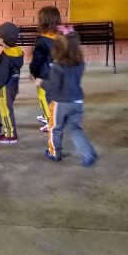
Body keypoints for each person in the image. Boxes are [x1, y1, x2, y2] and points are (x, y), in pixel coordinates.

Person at [35, 26, 98, 167]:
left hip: (60, 103)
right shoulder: (80, 64)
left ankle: (54, 153)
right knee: (75, 129)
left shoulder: (57, 67)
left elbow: (53, 86)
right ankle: (88, 152)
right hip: (77, 101)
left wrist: (41, 82)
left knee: (55, 128)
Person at [0, 22, 24, 145]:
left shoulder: (5, 57)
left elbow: (2, 77)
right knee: (1, 107)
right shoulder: (18, 52)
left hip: (5, 87)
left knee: (5, 110)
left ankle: (10, 134)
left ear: (2, 40)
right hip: (13, 85)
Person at [29, 6, 62, 132]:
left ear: (42, 22)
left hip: (44, 75)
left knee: (44, 97)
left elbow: (37, 59)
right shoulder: (62, 37)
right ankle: (47, 116)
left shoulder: (42, 40)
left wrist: (33, 72)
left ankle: (50, 122)